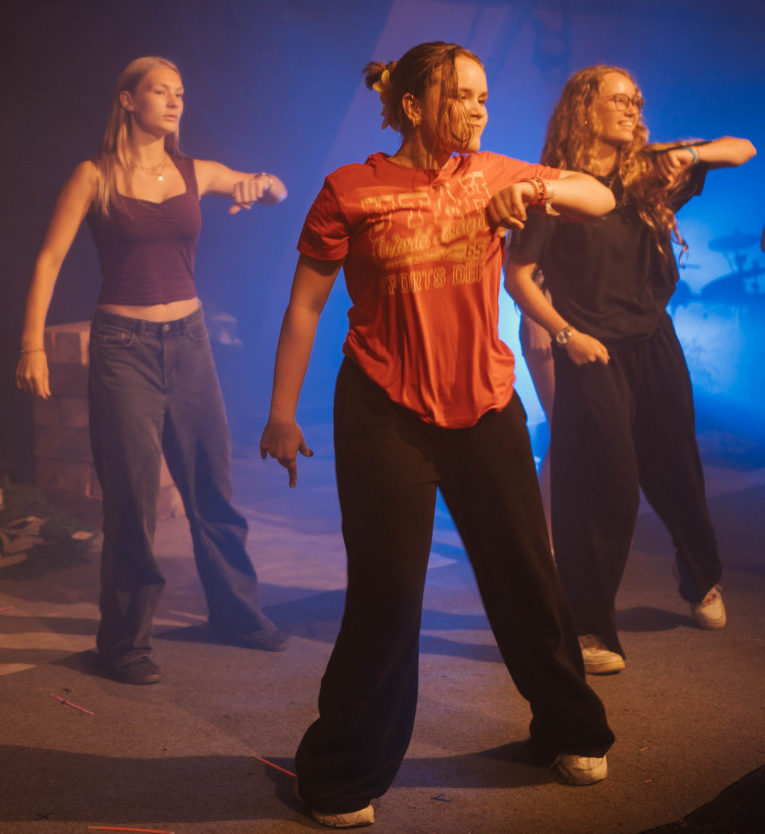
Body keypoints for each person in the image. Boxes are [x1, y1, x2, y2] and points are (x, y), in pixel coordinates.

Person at [261, 42, 617, 828]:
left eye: (485, 96)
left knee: (527, 579)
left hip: (484, 405)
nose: (480, 109)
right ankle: (342, 773)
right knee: (386, 597)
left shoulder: (490, 174)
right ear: (415, 106)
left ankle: (571, 728)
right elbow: (305, 307)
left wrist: (532, 188)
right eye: (464, 95)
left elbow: (599, 196)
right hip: (384, 409)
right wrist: (282, 413)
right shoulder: (350, 190)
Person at [16, 55, 289, 685]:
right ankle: (124, 642)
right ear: (127, 100)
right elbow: (49, 259)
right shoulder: (95, 175)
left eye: (180, 93)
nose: (173, 102)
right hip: (123, 347)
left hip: (189, 341)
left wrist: (262, 184)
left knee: (211, 487)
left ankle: (236, 614)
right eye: (160, 91)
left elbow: (275, 189)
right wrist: (32, 345)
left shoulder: (195, 171)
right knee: (133, 499)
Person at [504, 65, 756, 676]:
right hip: (592, 350)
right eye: (618, 99)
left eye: (636, 100)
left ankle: (700, 578)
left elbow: (744, 148)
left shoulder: (649, 169)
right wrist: (566, 334)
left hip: (654, 342)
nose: (631, 108)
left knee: (677, 473)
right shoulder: (556, 188)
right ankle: (590, 625)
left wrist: (690, 153)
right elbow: (517, 277)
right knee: (604, 486)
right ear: (583, 108)